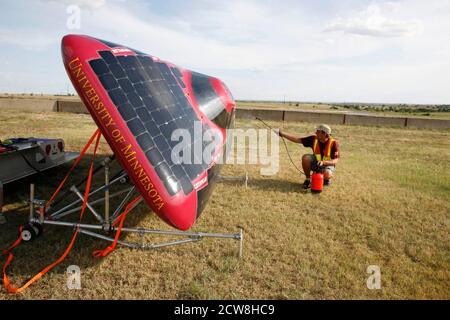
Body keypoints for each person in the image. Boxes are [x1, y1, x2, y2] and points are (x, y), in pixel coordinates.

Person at [278, 124, 340, 189]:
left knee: (327, 173)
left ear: (324, 134)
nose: (315, 132)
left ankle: (325, 179)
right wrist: (282, 134)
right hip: (316, 162)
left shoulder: (334, 143)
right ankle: (308, 179)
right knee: (306, 158)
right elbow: (297, 139)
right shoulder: (313, 139)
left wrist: (324, 162)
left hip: (327, 164)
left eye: (318, 131)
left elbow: (335, 161)